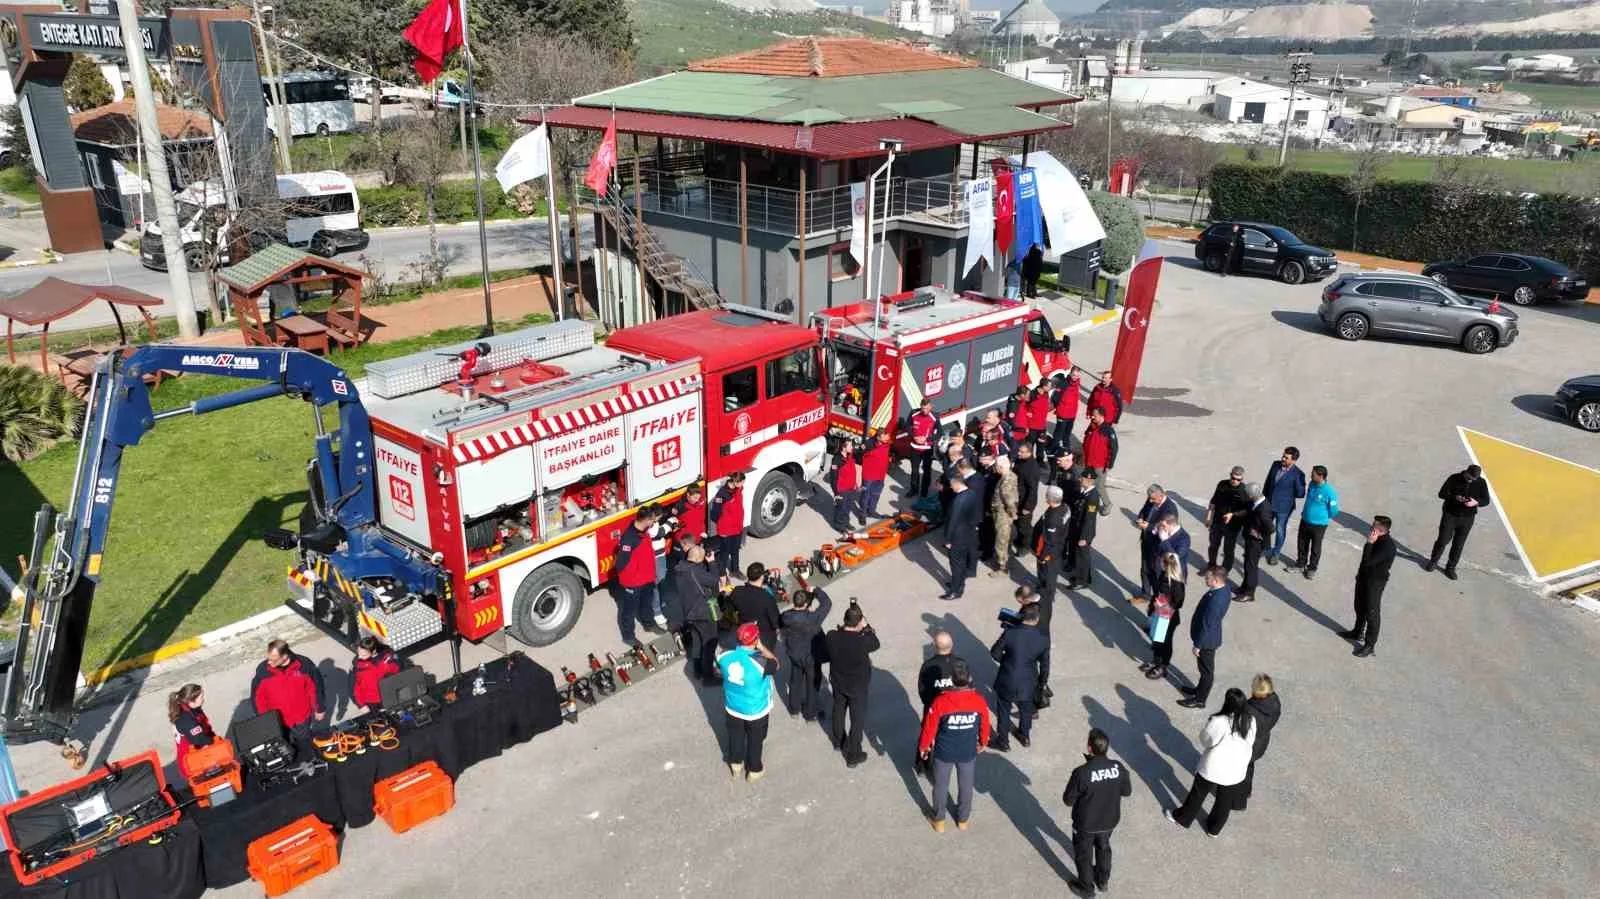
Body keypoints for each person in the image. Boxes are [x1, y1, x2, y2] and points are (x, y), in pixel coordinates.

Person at [1165, 687, 1257, 836]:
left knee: (1198, 794)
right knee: (1224, 801)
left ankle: (1183, 818)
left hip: (1214, 767)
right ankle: (1214, 829)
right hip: (1236, 769)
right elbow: (1250, 741)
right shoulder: (1250, 720)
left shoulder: (1219, 721)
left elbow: (1206, 740)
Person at [917, 659, 990, 832]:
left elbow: (929, 728)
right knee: (966, 785)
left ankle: (939, 820)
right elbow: (985, 724)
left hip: (944, 752)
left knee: (940, 786)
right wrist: (983, 741)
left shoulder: (941, 702)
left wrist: (924, 747)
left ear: (951, 679)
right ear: (970, 678)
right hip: (967, 751)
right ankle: (963, 820)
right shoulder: (978, 701)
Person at [1063, 727, 1133, 896]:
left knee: (1084, 855)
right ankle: (1102, 880)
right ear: (1106, 747)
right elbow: (1126, 792)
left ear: (1089, 748)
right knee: (1103, 848)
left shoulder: (1082, 773)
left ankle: (1087, 889)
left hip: (1085, 825)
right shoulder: (1118, 767)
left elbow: (1068, 800)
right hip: (1109, 821)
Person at [717, 623, 778, 781]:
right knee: (755, 740)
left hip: (733, 705)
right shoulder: (760, 661)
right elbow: (776, 663)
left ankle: (736, 763)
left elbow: (717, 670)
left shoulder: (724, 656)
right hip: (755, 708)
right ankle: (754, 769)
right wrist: (762, 647)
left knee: (735, 735)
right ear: (756, 639)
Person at [823, 602, 880, 767]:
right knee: (857, 720)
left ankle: (838, 741)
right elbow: (875, 642)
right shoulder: (862, 641)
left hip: (838, 682)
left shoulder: (832, 636)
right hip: (857, 686)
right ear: (859, 622)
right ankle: (854, 754)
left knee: (838, 710)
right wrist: (866, 626)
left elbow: (838, 632)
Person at [988, 603, 1049, 751]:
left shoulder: (1010, 633)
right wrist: (1041, 684)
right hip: (1029, 681)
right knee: (1026, 709)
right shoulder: (1043, 639)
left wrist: (1007, 663)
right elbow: (1045, 666)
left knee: (1003, 710)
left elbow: (995, 653)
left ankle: (1003, 741)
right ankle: (1024, 735)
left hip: (1007, 678)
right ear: (1037, 618)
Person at [1341, 516, 1395, 658]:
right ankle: (1357, 632)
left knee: (1372, 612)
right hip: (1364, 578)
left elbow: (1367, 561)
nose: (1370, 527)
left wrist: (1369, 544)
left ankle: (1370, 645)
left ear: (1381, 530)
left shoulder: (1387, 547)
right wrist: (1359, 575)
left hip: (1375, 583)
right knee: (1359, 606)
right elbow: (1364, 565)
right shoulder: (1376, 539)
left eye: (1373, 526)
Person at [1425, 464, 1491, 580]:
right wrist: (1455, 497)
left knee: (1459, 544)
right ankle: (1433, 561)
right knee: (1443, 540)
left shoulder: (1481, 482)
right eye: (1470, 478)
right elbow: (1442, 494)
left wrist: (1476, 503)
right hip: (1450, 514)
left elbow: (1486, 500)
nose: (1471, 480)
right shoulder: (1454, 478)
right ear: (1466, 472)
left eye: (1474, 479)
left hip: (1467, 518)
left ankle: (1450, 568)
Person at [1179, 567, 1231, 708]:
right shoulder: (1223, 589)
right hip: (1209, 637)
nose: (1205, 580)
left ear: (1216, 580)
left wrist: (1198, 645)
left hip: (1207, 641)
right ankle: (1199, 690)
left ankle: (1200, 700)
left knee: (1206, 672)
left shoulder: (1216, 600)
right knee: (1204, 670)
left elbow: (1208, 624)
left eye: (1207, 578)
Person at [671, 541, 722, 685]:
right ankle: (708, 677)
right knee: (709, 643)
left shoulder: (681, 568)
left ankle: (697, 670)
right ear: (700, 559)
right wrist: (711, 563)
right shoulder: (696, 571)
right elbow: (713, 580)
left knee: (697, 642)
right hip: (703, 613)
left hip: (689, 612)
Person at [779, 587, 833, 720]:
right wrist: (816, 590)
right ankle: (810, 712)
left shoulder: (786, 616)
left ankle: (794, 708)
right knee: (812, 683)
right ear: (805, 604)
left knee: (795, 680)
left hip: (794, 654)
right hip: (810, 657)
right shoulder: (813, 618)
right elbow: (827, 603)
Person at [250, 639, 327, 733]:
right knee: (284, 746)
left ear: (285, 656)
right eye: (268, 658)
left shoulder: (305, 665)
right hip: (277, 721)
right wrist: (264, 719)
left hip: (301, 718)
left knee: (303, 742)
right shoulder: (262, 671)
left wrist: (319, 709)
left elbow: (316, 688)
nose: (269, 662)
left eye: (273, 659)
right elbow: (257, 698)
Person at [612, 505, 662, 646]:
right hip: (633, 582)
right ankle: (628, 636)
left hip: (647, 578)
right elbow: (620, 562)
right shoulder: (629, 538)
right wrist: (628, 579)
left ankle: (649, 624)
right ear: (646, 520)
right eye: (652, 520)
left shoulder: (643, 531)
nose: (653, 523)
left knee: (647, 603)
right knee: (628, 610)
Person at [1237, 673, 1282, 812]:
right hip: (1261, 742)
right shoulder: (1275, 701)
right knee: (1249, 766)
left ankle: (1239, 799)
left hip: (1248, 745)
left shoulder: (1250, 710)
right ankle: (1247, 791)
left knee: (1240, 769)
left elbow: (1242, 729)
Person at [1290, 465, 1340, 579]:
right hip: (1305, 520)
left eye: (1313, 474)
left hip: (1319, 525)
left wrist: (1322, 518)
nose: (1311, 476)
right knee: (1302, 543)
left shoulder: (1329, 492)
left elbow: (1334, 511)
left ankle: (1312, 568)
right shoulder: (1312, 484)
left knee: (1315, 547)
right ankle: (1300, 564)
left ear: (1321, 476)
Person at [1143, 552, 1186, 681]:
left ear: (1167, 565)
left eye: (1162, 562)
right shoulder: (1163, 575)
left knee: (1165, 642)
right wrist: (1152, 607)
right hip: (1158, 612)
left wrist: (1162, 605)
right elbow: (1157, 593)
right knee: (1157, 638)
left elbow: (1178, 603)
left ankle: (1163, 666)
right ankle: (1156, 660)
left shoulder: (1177, 583)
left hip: (1168, 617)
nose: (1159, 564)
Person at [941, 472, 982, 599]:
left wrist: (948, 539)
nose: (951, 487)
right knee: (962, 561)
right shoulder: (971, 493)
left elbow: (953, 520)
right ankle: (958, 583)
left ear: (956, 483)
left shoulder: (959, 500)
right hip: (967, 533)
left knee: (956, 563)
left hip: (957, 537)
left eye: (952, 485)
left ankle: (955, 590)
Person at [1263, 446, 1307, 566]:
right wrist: (1263, 498)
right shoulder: (1275, 464)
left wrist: (1298, 483)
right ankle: (1264, 547)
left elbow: (1300, 493)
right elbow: (1268, 482)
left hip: (1284, 508)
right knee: (1265, 526)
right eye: (1283, 455)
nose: (1282, 458)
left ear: (1293, 460)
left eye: (1286, 457)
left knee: (1280, 530)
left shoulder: (1298, 474)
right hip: (1269, 503)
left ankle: (1276, 553)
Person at [1135, 485, 1180, 600]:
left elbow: (1165, 528)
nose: (1150, 501)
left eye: (1153, 499)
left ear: (1161, 495)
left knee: (1155, 571)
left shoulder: (1170, 509)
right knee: (1144, 568)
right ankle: (1145, 593)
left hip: (1157, 545)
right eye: (1149, 498)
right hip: (1146, 540)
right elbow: (1144, 510)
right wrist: (1140, 519)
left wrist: (1148, 526)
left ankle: (1158, 597)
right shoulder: (1152, 498)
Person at [730, 562, 783, 654]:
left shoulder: (737, 591)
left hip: (744, 631)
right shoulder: (767, 598)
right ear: (762, 577)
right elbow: (775, 622)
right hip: (764, 636)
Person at [1205, 466, 1249, 572]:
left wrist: (1233, 514)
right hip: (1217, 521)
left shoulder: (1244, 491)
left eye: (1238, 479)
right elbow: (1214, 500)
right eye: (1233, 478)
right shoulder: (1222, 484)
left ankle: (1224, 572)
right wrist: (1208, 517)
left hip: (1233, 525)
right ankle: (1211, 566)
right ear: (1230, 475)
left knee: (1228, 550)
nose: (1235, 481)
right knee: (1213, 546)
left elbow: (1247, 511)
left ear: (1242, 479)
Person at [1033, 486, 1070, 607]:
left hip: (1049, 551)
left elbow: (1050, 541)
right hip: (1059, 547)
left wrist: (1043, 556)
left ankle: (1046, 597)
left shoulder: (1053, 518)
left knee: (1047, 573)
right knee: (1051, 573)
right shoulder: (1064, 507)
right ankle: (1047, 591)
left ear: (1050, 499)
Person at [1237, 483, 1272, 603]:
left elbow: (1270, 528)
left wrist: (1258, 533)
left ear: (1252, 495)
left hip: (1256, 542)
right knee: (1247, 564)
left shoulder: (1264, 510)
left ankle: (1249, 593)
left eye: (1247, 495)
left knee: (1251, 567)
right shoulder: (1256, 502)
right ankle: (1243, 587)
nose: (1246, 496)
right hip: (1249, 539)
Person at [1066, 471, 1101, 589]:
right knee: (1080, 555)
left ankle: (1082, 581)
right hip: (1078, 528)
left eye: (1082, 478)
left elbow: (1089, 519)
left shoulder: (1092, 497)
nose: (1080, 479)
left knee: (1082, 557)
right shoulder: (1085, 492)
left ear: (1089, 480)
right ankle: (1085, 577)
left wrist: (1084, 537)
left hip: (1084, 533)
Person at [709, 472, 747, 583]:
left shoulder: (738, 489)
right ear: (735, 482)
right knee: (724, 554)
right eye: (742, 482)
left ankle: (735, 570)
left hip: (737, 528)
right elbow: (714, 514)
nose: (743, 484)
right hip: (726, 530)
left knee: (735, 550)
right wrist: (723, 523)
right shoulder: (722, 495)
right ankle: (722, 575)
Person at [1080, 407, 1117, 515]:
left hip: (1100, 464)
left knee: (1099, 486)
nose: (1092, 417)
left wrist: (1109, 464)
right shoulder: (1092, 426)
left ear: (1101, 416)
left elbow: (1114, 448)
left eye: (1094, 415)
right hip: (1088, 462)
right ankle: (1090, 503)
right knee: (1086, 484)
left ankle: (1107, 504)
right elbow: (1086, 439)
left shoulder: (1108, 430)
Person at [169, 684, 215, 769]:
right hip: (192, 763)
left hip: (196, 757)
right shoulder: (186, 720)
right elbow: (200, 742)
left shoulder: (191, 709)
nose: (203, 699)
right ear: (192, 701)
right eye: (201, 698)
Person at [350, 636, 400, 714]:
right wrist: (361, 705)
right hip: (370, 703)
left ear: (373, 652)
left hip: (387, 698)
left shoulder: (387, 659)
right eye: (358, 653)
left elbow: (398, 675)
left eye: (363, 655)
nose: (359, 657)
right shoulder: (357, 665)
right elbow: (353, 687)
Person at [1013, 442, 1046, 556]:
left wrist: (1028, 507)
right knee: (1017, 523)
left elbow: (1032, 490)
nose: (1019, 453)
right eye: (1019, 451)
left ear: (1030, 452)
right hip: (1017, 499)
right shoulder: (1020, 461)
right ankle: (1018, 541)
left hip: (1025, 502)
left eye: (1022, 452)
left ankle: (1025, 546)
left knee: (1024, 527)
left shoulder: (1031, 468)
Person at [990, 456, 1019, 577]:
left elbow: (1009, 500)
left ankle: (1003, 567)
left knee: (1001, 540)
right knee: (1003, 538)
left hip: (1002, 514)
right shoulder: (1011, 475)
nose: (994, 468)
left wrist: (1012, 513)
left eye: (996, 466)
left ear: (1000, 467)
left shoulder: (1006, 481)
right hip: (1002, 512)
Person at [907, 399, 939, 498]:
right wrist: (914, 436)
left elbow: (940, 433)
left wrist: (927, 438)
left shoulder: (935, 417)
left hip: (927, 449)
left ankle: (924, 492)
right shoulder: (913, 413)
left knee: (926, 471)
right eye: (923, 408)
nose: (924, 410)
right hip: (915, 447)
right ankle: (914, 489)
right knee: (914, 470)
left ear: (930, 407)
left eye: (926, 408)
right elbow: (907, 426)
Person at [860, 429, 891, 520]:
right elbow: (859, 452)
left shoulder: (887, 444)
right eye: (885, 436)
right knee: (865, 495)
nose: (887, 438)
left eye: (887, 435)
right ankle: (863, 514)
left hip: (880, 476)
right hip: (869, 476)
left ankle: (872, 511)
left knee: (876, 494)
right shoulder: (869, 445)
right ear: (878, 438)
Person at [831, 438, 861, 531]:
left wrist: (855, 483)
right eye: (850, 446)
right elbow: (833, 478)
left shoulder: (850, 455)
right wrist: (836, 493)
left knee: (848, 507)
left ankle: (846, 522)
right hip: (842, 490)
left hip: (851, 488)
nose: (852, 447)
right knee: (841, 508)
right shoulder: (836, 459)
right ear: (844, 447)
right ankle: (839, 525)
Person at [1050, 370, 1082, 455]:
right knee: (1058, 434)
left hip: (1072, 414)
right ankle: (1052, 449)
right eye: (1073, 375)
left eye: (1077, 376)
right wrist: (1059, 407)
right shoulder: (1063, 383)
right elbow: (1055, 397)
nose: (1075, 377)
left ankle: (1066, 449)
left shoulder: (1077, 383)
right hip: (1063, 414)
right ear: (1070, 374)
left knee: (1067, 434)